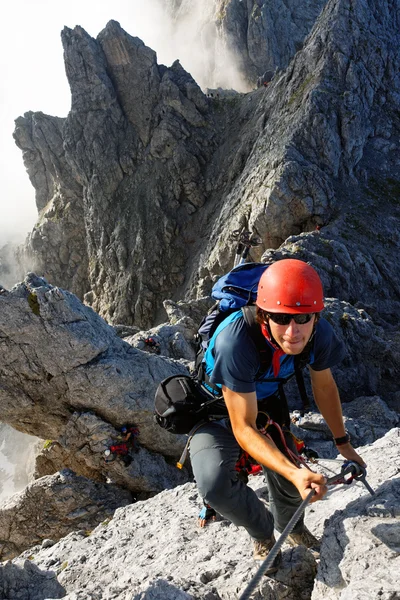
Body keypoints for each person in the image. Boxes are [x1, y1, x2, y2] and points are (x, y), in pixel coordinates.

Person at [189, 258, 365, 571]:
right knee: (214, 486)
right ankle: (262, 532)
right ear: (264, 314)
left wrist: (343, 443)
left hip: (267, 402)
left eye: (302, 318)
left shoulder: (317, 334)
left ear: (316, 315)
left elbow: (324, 386)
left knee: (287, 474)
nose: (293, 331)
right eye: (281, 318)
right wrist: (297, 472)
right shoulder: (237, 341)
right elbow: (242, 428)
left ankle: (293, 529)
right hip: (217, 408)